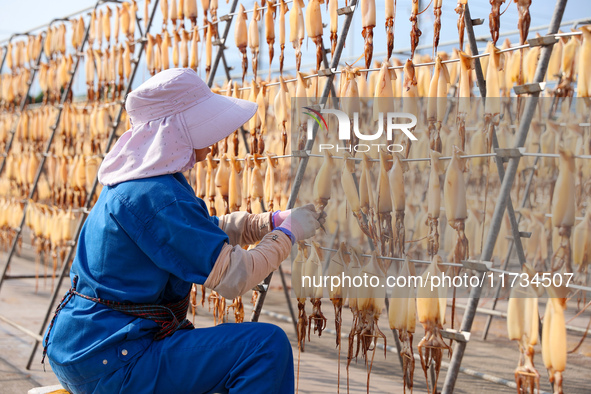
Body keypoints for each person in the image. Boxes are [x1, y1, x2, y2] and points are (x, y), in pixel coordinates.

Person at [43, 68, 324, 394]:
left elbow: (195, 233)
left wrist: (266, 222)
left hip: (84, 346)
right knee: (265, 345)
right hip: (113, 358)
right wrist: (287, 233)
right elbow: (237, 276)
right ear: (175, 130)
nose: (216, 141)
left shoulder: (141, 184)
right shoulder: (156, 195)